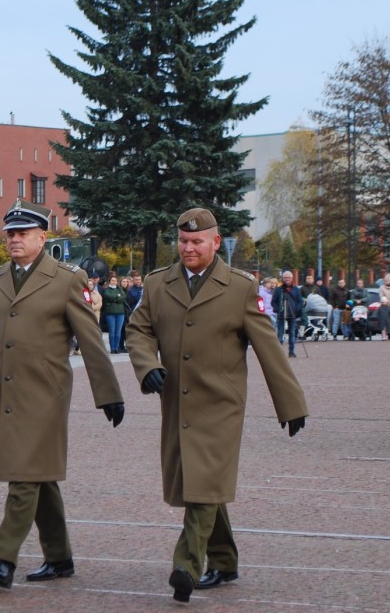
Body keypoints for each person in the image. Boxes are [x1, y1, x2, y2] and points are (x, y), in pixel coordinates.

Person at [126, 207, 308, 603]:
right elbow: (138, 331)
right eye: (183, 241)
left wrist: (291, 405)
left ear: (214, 241)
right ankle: (224, 560)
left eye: (196, 242)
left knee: (203, 483)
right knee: (204, 482)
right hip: (176, 402)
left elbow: (268, 348)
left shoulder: (241, 288)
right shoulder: (158, 284)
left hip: (221, 404)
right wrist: (146, 367)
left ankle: (186, 566)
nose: (188, 248)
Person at [0, 199, 124, 590]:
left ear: (42, 237)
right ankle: (59, 557)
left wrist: (108, 394)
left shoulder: (67, 279)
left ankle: (3, 559)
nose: (14, 240)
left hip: (46, 395)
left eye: (22, 233)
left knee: (23, 476)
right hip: (7, 395)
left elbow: (90, 339)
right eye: (10, 234)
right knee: (40, 477)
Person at [270, 271, 302, 356]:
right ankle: (279, 353)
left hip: (292, 314)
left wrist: (296, 309)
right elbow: (273, 302)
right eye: (285, 278)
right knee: (280, 333)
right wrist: (277, 309)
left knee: (292, 333)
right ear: (283, 279)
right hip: (281, 314)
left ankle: (291, 351)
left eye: (288, 278)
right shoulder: (278, 290)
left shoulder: (296, 290)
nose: (287, 279)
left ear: (292, 279)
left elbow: (300, 302)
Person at [378, 274, 390, 339]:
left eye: (387, 281)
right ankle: (384, 334)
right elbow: (381, 296)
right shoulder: (381, 288)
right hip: (384, 305)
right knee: (384, 319)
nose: (385, 282)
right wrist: (385, 301)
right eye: (385, 281)